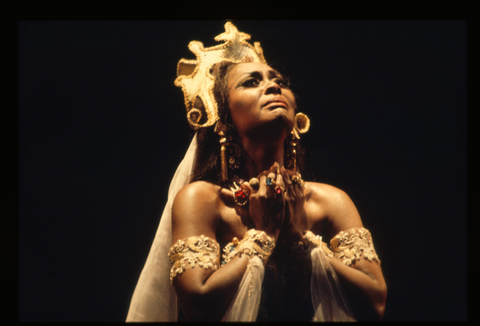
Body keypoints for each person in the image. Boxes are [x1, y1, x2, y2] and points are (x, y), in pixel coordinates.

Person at [126, 22, 387, 322]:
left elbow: (375, 305)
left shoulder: (330, 202)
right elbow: (198, 305)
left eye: (280, 81)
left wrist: (300, 239)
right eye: (251, 82)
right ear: (224, 118)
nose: (274, 86)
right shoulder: (203, 201)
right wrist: (264, 234)